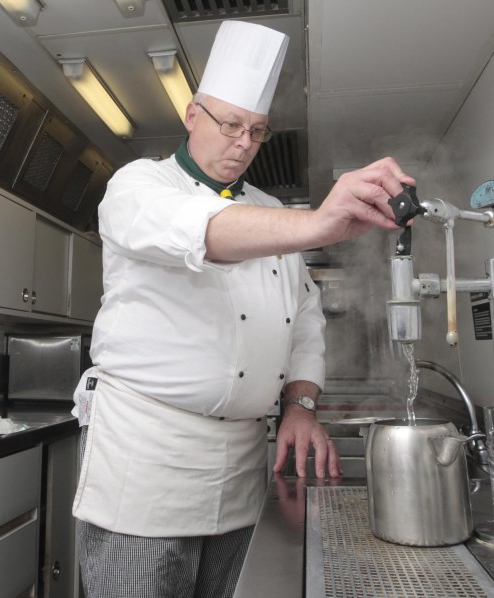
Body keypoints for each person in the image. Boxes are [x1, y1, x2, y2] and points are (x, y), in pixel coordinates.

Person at [72, 20, 415, 598]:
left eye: (257, 131)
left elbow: (303, 314)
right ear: (191, 115)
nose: (243, 144)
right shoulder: (139, 186)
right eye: (230, 125)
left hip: (238, 471)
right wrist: (317, 224)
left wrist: (301, 404)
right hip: (147, 466)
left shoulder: (265, 206)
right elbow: (202, 232)